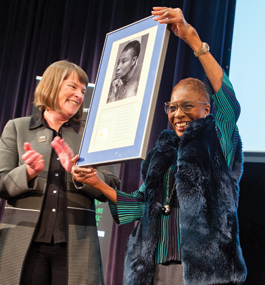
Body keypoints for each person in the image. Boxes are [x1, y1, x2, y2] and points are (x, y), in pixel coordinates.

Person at [71, 7, 247, 285]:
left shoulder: (218, 141)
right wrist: (97, 183)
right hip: (153, 270)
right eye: (172, 107)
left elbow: (230, 103)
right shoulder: (161, 154)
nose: (178, 114)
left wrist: (191, 38)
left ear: (206, 109)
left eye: (187, 106)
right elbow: (139, 206)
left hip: (202, 272)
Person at [0, 60, 119, 285]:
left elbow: (111, 186)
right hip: (23, 242)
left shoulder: (92, 134)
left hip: (77, 245)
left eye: (83, 91)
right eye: (72, 87)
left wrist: (83, 176)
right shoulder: (17, 127)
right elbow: (1, 181)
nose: (79, 95)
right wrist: (27, 173)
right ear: (52, 85)